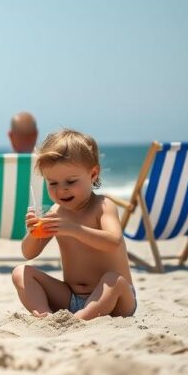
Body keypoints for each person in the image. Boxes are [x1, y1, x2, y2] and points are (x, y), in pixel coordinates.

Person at [11, 129, 137, 320]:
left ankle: (79, 320)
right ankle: (45, 316)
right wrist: (33, 233)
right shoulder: (56, 212)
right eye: (52, 183)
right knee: (21, 273)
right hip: (71, 298)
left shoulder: (102, 206)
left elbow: (114, 241)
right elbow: (29, 253)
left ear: (93, 174)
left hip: (115, 300)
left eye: (71, 181)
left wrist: (74, 229)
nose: (62, 189)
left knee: (114, 280)